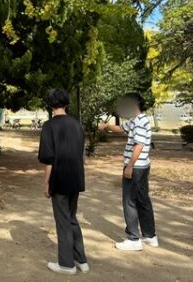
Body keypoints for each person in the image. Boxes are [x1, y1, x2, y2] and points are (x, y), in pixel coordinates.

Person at [98, 92, 158, 251]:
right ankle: (150, 236)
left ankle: (133, 239)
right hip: (143, 166)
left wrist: (130, 166)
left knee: (129, 201)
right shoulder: (138, 120)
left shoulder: (139, 122)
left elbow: (139, 145)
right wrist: (106, 126)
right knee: (142, 200)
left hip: (136, 167)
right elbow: (120, 128)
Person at [38, 88, 89, 275]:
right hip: (76, 177)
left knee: (63, 221)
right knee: (71, 218)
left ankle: (66, 265)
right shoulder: (77, 125)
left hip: (59, 178)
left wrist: (46, 182)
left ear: (50, 104)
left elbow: (49, 159)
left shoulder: (49, 126)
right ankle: (81, 260)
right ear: (66, 103)